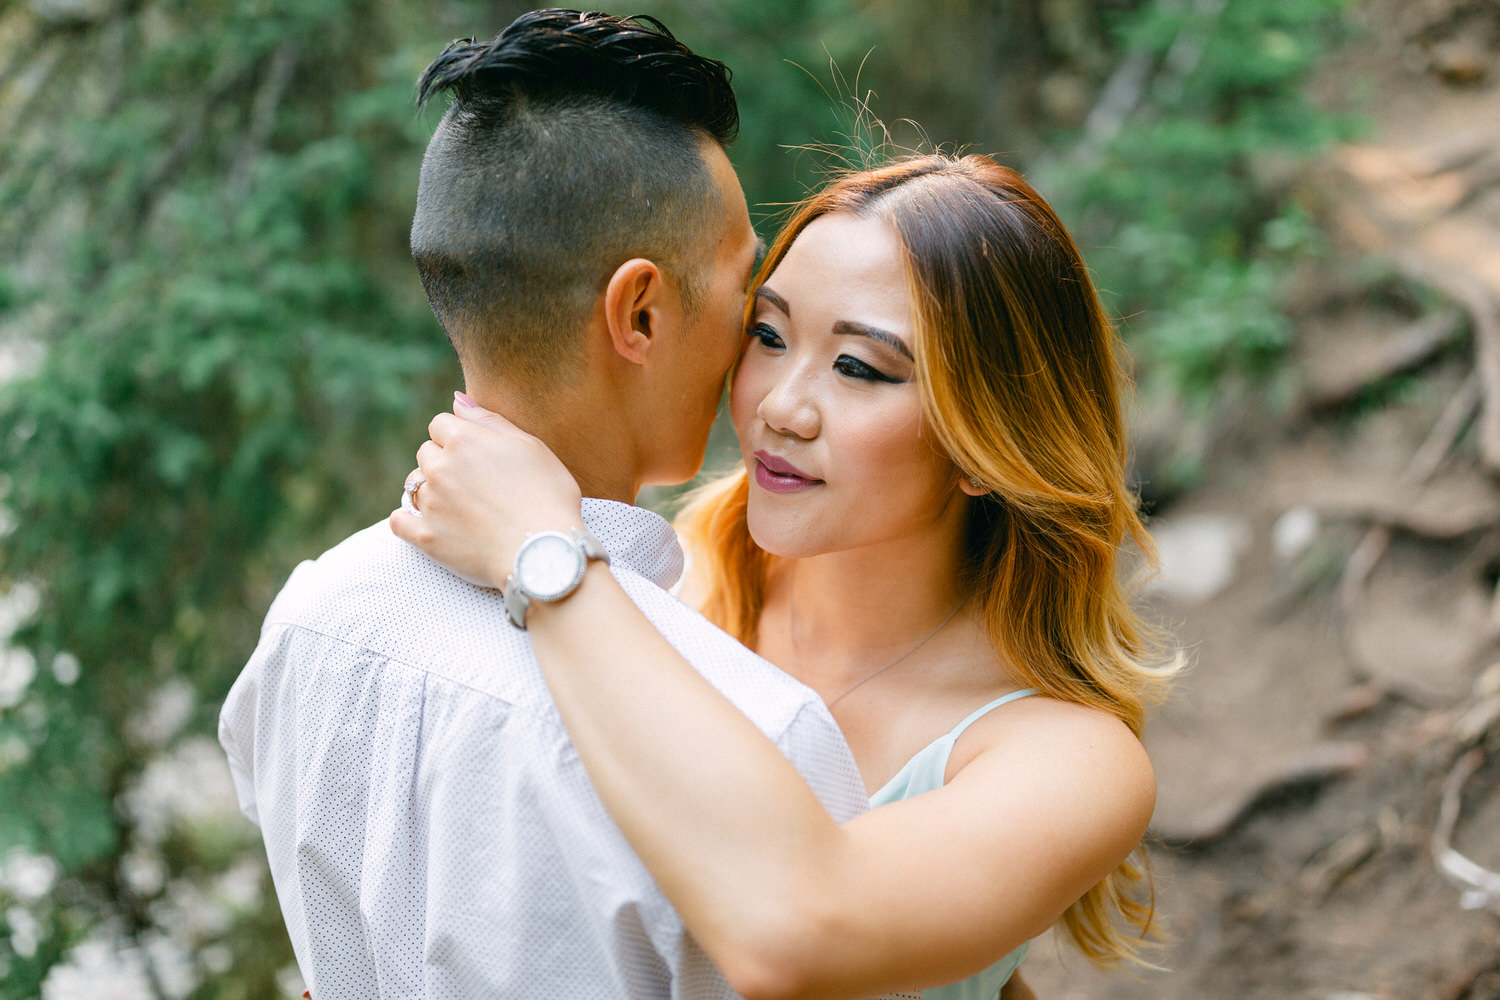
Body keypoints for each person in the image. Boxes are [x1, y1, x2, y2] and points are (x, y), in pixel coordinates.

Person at [391, 152, 1178, 1000]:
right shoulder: (666, 585)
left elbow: (795, 932)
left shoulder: (1072, 763)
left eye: (860, 368)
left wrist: (540, 554)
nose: (778, 407)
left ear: (986, 441)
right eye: (767, 334)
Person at [218, 10, 874, 998]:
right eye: (747, 290)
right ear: (641, 312)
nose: (754, 343)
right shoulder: (759, 736)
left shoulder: (305, 628)